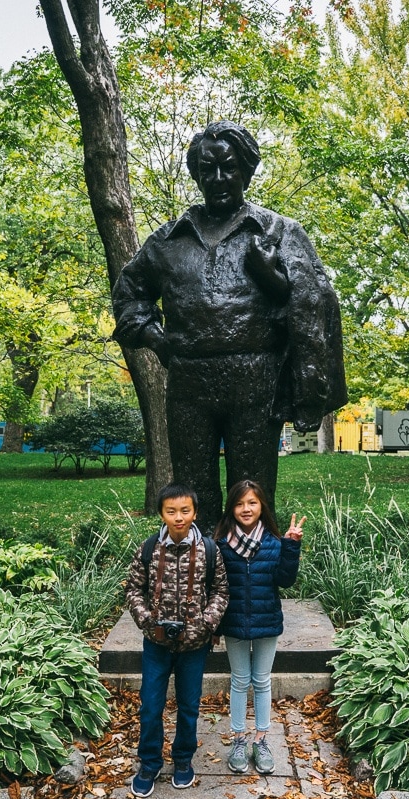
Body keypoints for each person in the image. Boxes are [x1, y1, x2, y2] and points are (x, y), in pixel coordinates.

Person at [112, 120, 346, 533]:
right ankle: (198, 582)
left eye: (229, 168)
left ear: (246, 170)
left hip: (255, 376)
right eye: (207, 170)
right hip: (189, 381)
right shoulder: (168, 240)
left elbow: (318, 299)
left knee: (251, 494)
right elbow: (128, 294)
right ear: (197, 174)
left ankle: (249, 586)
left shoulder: (278, 232)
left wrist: (271, 277)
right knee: (191, 496)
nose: (218, 179)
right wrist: (157, 339)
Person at [125, 482, 229, 798]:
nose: (178, 517)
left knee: (188, 706)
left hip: (194, 647)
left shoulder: (210, 551)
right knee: (151, 705)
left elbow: (221, 592)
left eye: (185, 511)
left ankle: (182, 760)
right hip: (156, 644)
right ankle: (150, 762)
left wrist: (204, 623)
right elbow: (132, 589)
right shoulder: (148, 549)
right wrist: (147, 620)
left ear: (194, 512)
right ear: (162, 513)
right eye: (171, 511)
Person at [214, 479, 305, 775]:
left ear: (262, 506)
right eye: (240, 503)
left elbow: (285, 580)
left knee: (262, 681)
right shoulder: (222, 542)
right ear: (232, 508)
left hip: (267, 621)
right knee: (240, 680)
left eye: (252, 502)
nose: (246, 508)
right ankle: (239, 739)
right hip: (234, 623)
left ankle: (261, 740)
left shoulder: (273, 542)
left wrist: (291, 546)